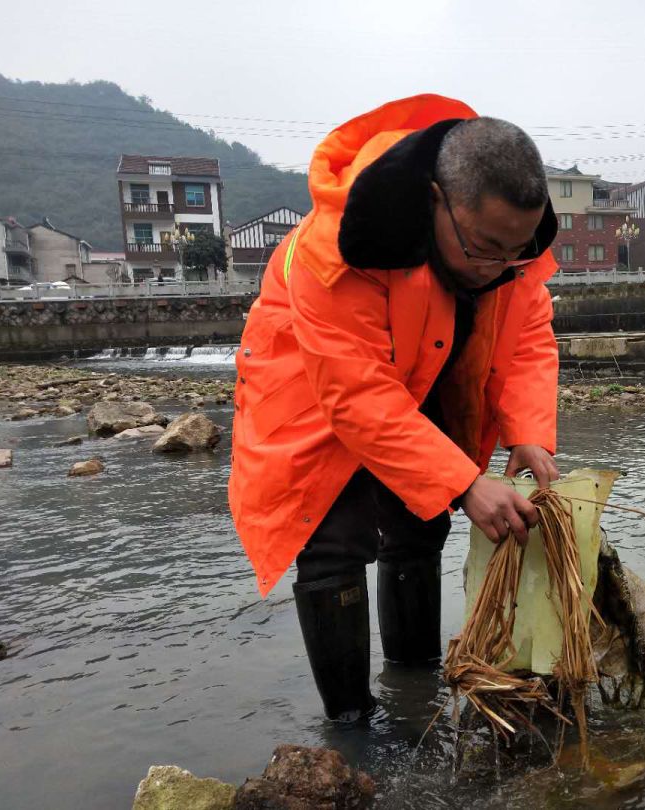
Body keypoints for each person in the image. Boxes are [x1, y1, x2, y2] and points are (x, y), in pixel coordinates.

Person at [228, 94, 561, 721]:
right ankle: (351, 725)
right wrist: (466, 483)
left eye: (514, 251)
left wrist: (529, 430)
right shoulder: (343, 244)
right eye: (484, 247)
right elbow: (357, 394)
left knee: (420, 522)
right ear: (435, 199)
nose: (500, 268)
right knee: (334, 536)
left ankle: (415, 693)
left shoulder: (510, 246)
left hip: (426, 361)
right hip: (310, 384)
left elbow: (529, 338)